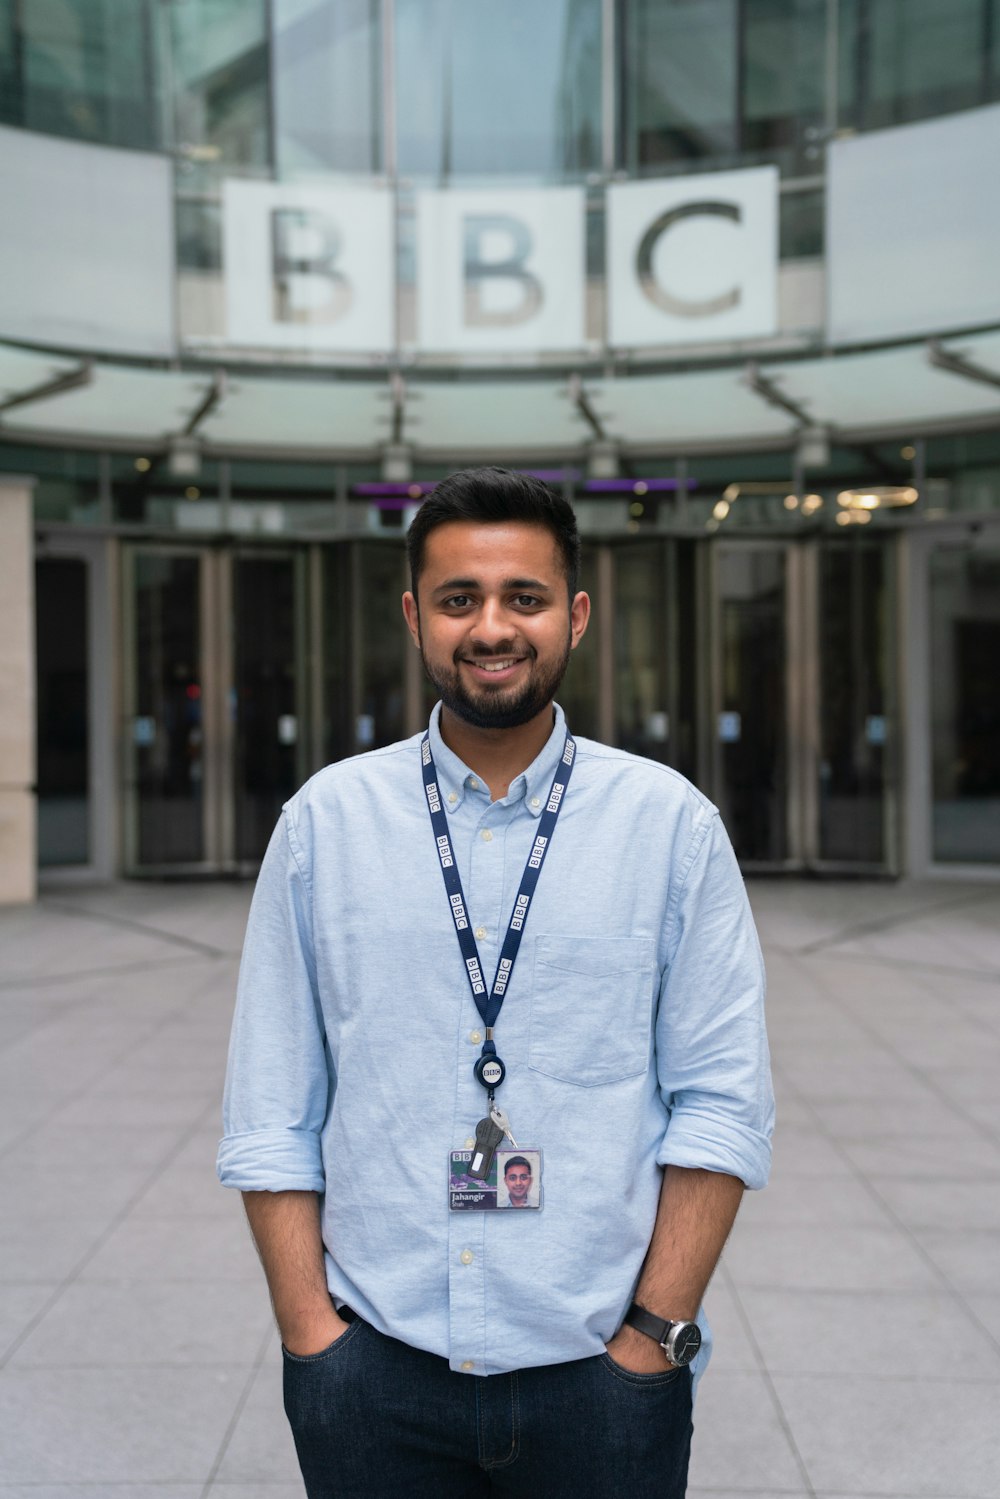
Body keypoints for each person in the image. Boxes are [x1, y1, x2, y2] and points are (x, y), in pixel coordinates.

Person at [218, 465, 773, 1499]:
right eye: (458, 597)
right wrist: (311, 1338)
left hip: (602, 1375)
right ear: (414, 616)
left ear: (575, 615)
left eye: (522, 596)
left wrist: (653, 1336)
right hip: (373, 1370)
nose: (491, 627)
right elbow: (269, 1102)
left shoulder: (669, 826)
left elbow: (722, 1098)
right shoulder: (324, 826)